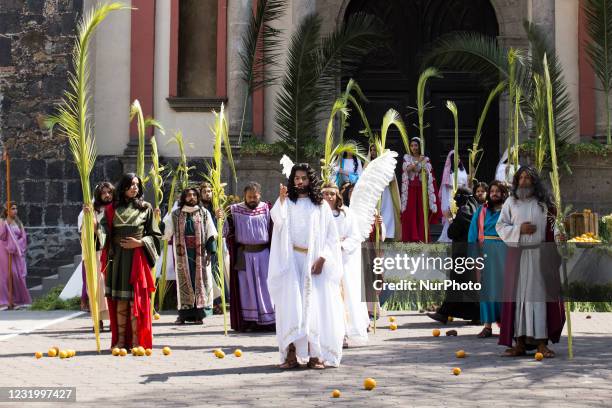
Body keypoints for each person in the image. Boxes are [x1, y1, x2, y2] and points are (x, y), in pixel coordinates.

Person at [268, 163, 344, 369]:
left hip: (314, 263)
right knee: (292, 308)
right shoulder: (287, 203)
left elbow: (331, 237)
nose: (299, 182)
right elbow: (277, 221)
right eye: (296, 178)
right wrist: (281, 201)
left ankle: (315, 355)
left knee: (315, 309)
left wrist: (322, 258)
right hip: (291, 262)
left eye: (303, 178)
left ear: (311, 180)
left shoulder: (320, 206)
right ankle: (291, 354)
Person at [496, 166, 565, 357]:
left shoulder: (544, 204)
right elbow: (500, 226)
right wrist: (519, 230)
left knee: (539, 298)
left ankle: (542, 343)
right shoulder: (511, 202)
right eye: (521, 177)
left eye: (528, 178)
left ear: (534, 181)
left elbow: (554, 227)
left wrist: (560, 237)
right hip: (518, 256)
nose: (524, 181)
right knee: (518, 300)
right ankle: (519, 342)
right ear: (516, 180)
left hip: (539, 256)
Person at [99, 174, 161, 350]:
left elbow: (155, 235)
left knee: (135, 301)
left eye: (137, 185)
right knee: (121, 301)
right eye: (131, 184)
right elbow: (103, 230)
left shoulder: (146, 208)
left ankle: (135, 342)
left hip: (137, 260)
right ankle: (120, 342)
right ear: (123, 187)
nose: (134, 188)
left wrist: (140, 243)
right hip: (118, 260)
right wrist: (95, 228)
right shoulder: (111, 209)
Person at [218, 182, 275, 332]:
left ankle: (269, 321)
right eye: (249, 197)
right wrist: (220, 218)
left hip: (264, 255)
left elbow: (276, 228)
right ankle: (250, 322)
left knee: (266, 288)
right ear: (245, 196)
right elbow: (224, 232)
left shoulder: (266, 209)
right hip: (244, 255)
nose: (252, 199)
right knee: (246, 288)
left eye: (254, 197)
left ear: (259, 195)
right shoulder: (234, 210)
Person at [322, 182, 369, 347]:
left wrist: (342, 246)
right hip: (326, 261)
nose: (328, 197)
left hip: (343, 260)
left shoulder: (346, 213)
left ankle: (346, 333)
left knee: (346, 297)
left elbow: (355, 236)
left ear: (337, 196)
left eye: (331, 194)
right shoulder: (318, 213)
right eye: (325, 193)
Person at [162, 187, 217, 325]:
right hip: (183, 255)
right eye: (188, 195)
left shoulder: (204, 213)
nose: (191, 197)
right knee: (184, 284)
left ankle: (199, 314)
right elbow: (166, 231)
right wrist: (158, 220)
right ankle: (183, 315)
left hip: (200, 254)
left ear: (197, 197)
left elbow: (210, 232)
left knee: (200, 282)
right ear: (184, 198)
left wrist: (210, 251)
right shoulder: (175, 214)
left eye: (194, 195)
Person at [427, 187, 480, 324]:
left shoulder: (464, 211)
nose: (456, 201)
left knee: (456, 285)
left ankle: (444, 313)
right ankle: (476, 315)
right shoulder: (476, 209)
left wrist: (450, 219)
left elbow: (452, 232)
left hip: (462, 254)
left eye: (457, 198)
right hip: (472, 253)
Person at [468, 181, 508, 338]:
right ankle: (487, 326)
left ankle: (507, 324)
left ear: (504, 193)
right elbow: (472, 234)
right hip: (486, 252)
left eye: (498, 191)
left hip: (506, 251)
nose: (494, 194)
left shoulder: (509, 210)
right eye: (492, 191)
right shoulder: (482, 210)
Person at [78, 182, 114, 329]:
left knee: (111, 287)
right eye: (103, 193)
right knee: (96, 287)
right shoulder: (89, 211)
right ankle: (97, 319)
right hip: (96, 252)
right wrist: (89, 218)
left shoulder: (116, 208)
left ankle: (115, 320)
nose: (107, 195)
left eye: (109, 192)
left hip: (112, 252)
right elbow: (83, 233)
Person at [400, 137, 440, 242]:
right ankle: (411, 237)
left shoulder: (426, 159)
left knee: (422, 213)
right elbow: (407, 169)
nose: (414, 148)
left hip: (422, 189)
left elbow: (429, 174)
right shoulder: (407, 158)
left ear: (419, 147)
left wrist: (425, 171)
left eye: (416, 145)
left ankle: (422, 237)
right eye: (412, 146)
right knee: (411, 212)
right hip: (411, 189)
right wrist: (418, 162)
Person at [199, 182, 229, 314]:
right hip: (200, 244)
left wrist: (220, 218)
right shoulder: (196, 208)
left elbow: (224, 229)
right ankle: (207, 302)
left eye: (209, 191)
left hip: (215, 245)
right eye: (204, 191)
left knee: (216, 272)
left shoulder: (217, 208)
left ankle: (218, 302)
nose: (207, 193)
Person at [366, 144, 402, 241]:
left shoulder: (386, 163)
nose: (373, 152)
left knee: (386, 212)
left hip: (384, 191)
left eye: (375, 150)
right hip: (372, 192)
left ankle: (387, 234)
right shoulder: (368, 163)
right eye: (371, 150)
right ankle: (373, 233)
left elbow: (391, 177)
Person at [0, 202, 31, 310]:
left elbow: (24, 237)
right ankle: (4, 302)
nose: (15, 210)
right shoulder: (2, 221)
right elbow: (2, 236)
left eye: (16, 208)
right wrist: (5, 224)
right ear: (7, 210)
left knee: (16, 275)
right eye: (12, 208)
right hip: (4, 251)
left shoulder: (18, 222)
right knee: (5, 276)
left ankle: (18, 301)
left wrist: (16, 244)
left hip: (16, 253)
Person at [438, 151, 469, 243]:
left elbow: (466, 184)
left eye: (459, 157)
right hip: (452, 197)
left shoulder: (463, 170)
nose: (458, 159)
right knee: (451, 219)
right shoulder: (449, 172)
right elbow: (446, 189)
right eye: (455, 158)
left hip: (462, 197)